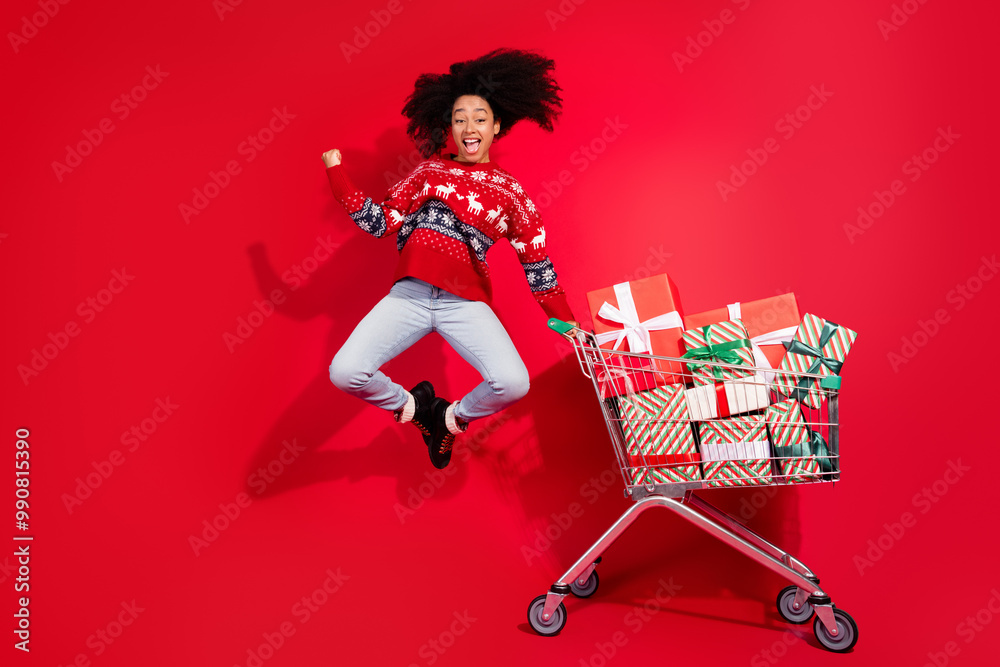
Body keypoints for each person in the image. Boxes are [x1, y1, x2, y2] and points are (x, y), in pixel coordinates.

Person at [322, 48, 578, 469]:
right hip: (410, 295)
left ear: (497, 126)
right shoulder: (428, 173)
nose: (468, 127)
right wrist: (337, 173)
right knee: (345, 371)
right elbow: (379, 222)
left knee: (513, 383)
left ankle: (448, 418)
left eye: (480, 118)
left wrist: (569, 325)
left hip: (465, 304)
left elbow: (538, 266)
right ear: (450, 126)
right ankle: (414, 408)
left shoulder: (513, 194)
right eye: (460, 118)